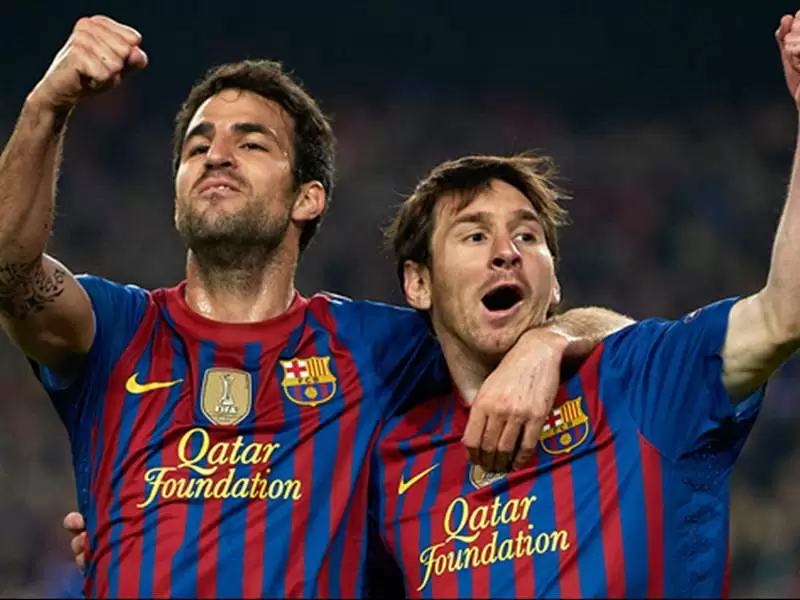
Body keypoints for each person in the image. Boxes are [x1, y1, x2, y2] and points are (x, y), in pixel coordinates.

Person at [2, 15, 627, 598]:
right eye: (197, 148)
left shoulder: (380, 348)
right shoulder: (117, 330)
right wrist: (45, 106)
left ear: (308, 198)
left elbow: (615, 339)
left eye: (251, 144)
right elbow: (10, 273)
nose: (215, 155)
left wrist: (546, 342)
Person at [361, 12, 800, 598]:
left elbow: (785, 313)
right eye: (474, 235)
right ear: (418, 284)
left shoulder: (637, 383)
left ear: (555, 283)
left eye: (527, 236)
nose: (506, 253)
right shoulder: (393, 456)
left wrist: (552, 340)